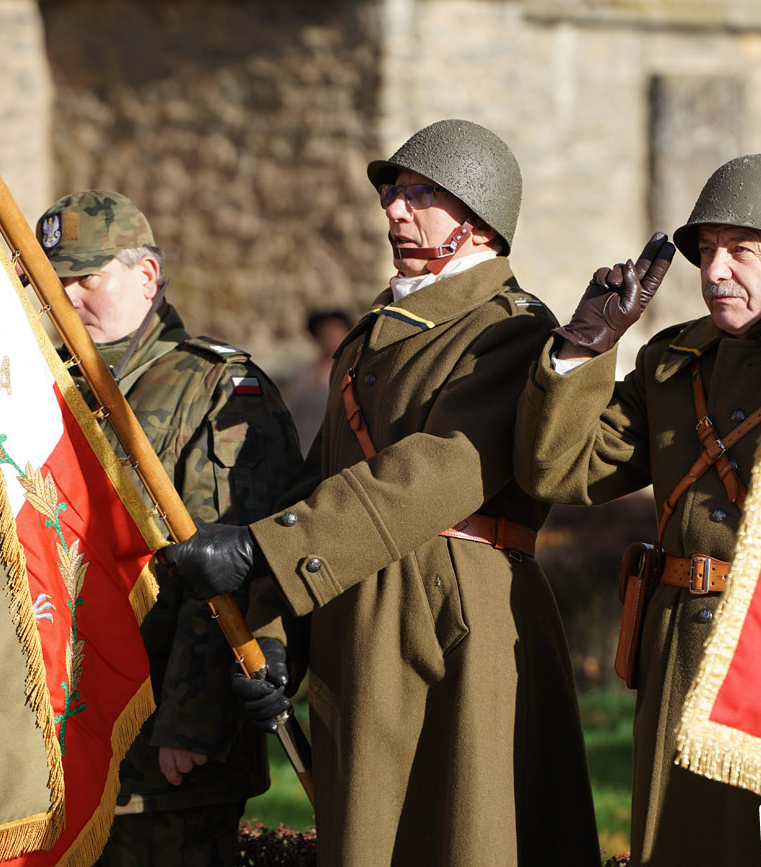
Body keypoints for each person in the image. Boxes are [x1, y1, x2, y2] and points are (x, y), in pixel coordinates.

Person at [162, 119, 601, 866]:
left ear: (477, 219)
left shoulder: (511, 330)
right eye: (393, 195)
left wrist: (263, 549)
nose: (394, 210)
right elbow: (320, 483)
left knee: (468, 833)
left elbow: (438, 470)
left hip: (458, 625)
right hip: (360, 621)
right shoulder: (374, 333)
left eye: (420, 195)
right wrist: (274, 638)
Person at [513, 154, 761, 865]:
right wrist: (585, 346)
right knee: (681, 844)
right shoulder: (671, 361)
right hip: (679, 651)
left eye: (742, 250)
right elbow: (557, 469)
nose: (715, 271)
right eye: (706, 251)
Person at [34, 190, 303, 867]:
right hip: (57, 729)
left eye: (86, 278)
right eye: (53, 281)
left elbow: (230, 567)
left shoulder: (214, 387)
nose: (66, 297)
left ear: (146, 276)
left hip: (162, 755)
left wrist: (192, 724)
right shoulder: (38, 381)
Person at [284, 308, 353, 449]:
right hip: (300, 450)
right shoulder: (304, 372)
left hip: (335, 451)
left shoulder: (350, 371)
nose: (330, 334)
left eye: (336, 329)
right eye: (325, 330)